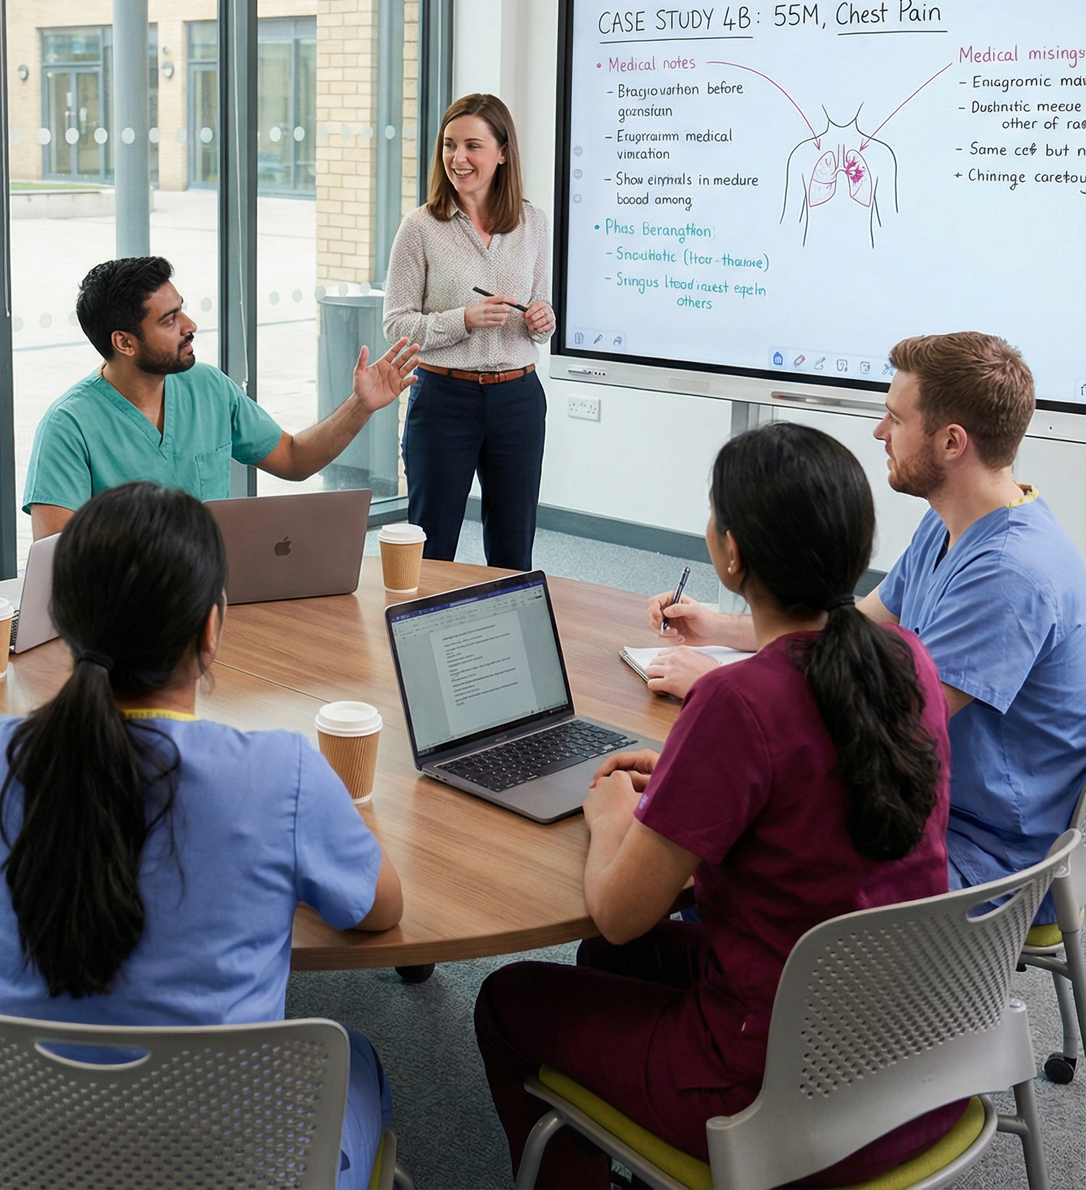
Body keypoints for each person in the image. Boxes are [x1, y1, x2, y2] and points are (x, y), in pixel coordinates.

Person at [475, 422, 960, 1188]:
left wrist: (608, 817)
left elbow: (619, 910)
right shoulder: (906, 661)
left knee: (508, 1001)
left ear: (731, 556)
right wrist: (691, 770)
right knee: (613, 966)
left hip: (778, 1093)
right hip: (908, 1051)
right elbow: (812, 776)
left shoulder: (739, 701)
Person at [0, 481, 404, 1188]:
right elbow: (379, 912)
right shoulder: (283, 774)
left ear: (65, 620)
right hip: (234, 1166)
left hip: (23, 1156)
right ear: (211, 629)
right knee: (357, 1059)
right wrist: (350, 812)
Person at [645, 331, 1086, 920]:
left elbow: (892, 718)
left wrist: (720, 688)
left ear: (952, 442)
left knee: (730, 858)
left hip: (981, 859)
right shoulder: (954, 522)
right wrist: (720, 627)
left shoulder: (1011, 576)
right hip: (921, 805)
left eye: (894, 418)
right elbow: (851, 628)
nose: (879, 432)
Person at [23, 257, 418, 539]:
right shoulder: (68, 427)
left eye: (183, 311)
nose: (190, 326)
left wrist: (360, 405)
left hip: (216, 597)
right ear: (124, 342)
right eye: (169, 319)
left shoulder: (207, 386)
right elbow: (58, 560)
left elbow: (294, 459)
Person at [382, 94, 552, 571]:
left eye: (473, 146)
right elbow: (396, 323)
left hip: (517, 400)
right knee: (432, 550)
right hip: (444, 402)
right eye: (450, 145)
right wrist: (464, 319)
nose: (458, 158)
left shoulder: (533, 223)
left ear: (502, 152)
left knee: (513, 548)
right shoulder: (420, 228)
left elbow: (539, 309)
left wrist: (543, 320)